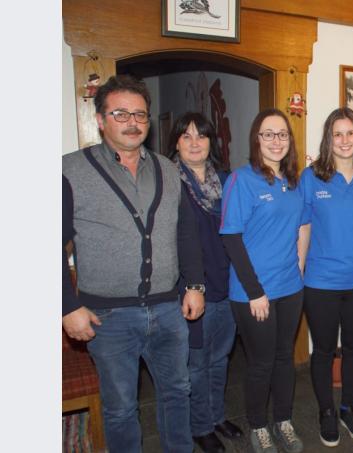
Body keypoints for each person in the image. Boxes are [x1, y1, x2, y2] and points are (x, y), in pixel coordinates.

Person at [62, 75, 205, 452]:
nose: (132, 122)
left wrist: (194, 285)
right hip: (107, 318)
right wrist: (66, 306)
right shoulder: (70, 171)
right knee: (121, 407)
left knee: (178, 392)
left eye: (140, 114)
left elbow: (186, 233)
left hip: (168, 308)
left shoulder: (168, 170)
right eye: (120, 113)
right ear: (100, 119)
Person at [219, 109, 305, 453]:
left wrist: (297, 268)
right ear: (257, 139)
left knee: (285, 358)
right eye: (268, 134)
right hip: (253, 293)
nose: (276, 141)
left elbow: (300, 228)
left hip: (290, 288)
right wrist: (255, 291)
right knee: (261, 362)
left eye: (282, 134)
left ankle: (283, 420)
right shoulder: (241, 179)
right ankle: (258, 426)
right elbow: (231, 238)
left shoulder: (293, 182)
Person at [298, 108, 353, 447]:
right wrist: (297, 273)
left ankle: (348, 408)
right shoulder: (311, 177)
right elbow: (303, 228)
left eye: (351, 133)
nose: (345, 140)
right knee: (322, 351)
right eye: (338, 134)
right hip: (320, 282)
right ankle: (326, 412)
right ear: (328, 139)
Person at [167, 112, 243, 453]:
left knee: (220, 359)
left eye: (201, 135)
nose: (195, 142)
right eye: (186, 136)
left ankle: (216, 417)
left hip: (228, 283)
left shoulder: (226, 180)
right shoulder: (168, 181)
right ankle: (200, 426)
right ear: (176, 143)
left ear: (212, 142)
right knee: (196, 364)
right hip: (192, 289)